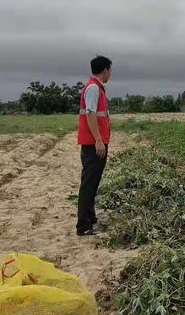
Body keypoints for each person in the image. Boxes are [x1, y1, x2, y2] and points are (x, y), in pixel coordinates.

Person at [76, 55, 112, 236]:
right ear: (105, 70)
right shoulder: (93, 88)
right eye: (110, 70)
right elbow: (90, 115)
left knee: (93, 182)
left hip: (96, 143)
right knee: (89, 183)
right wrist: (98, 140)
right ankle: (83, 225)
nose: (110, 74)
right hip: (93, 144)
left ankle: (91, 218)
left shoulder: (97, 88)